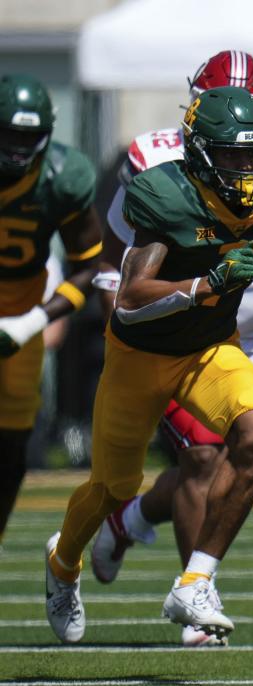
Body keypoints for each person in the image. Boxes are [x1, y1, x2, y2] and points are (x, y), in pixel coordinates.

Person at [44, 86, 253, 644]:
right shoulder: (166, 196)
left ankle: (196, 580)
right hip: (139, 357)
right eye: (231, 155)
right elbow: (129, 298)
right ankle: (61, 565)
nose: (246, 167)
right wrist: (205, 284)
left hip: (210, 349)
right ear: (197, 153)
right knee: (111, 487)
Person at [0, 74, 102, 545]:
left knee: (13, 440)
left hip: (22, 315)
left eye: (27, 138)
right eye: (10, 136)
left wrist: (33, 321)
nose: (19, 149)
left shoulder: (62, 178)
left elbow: (88, 266)